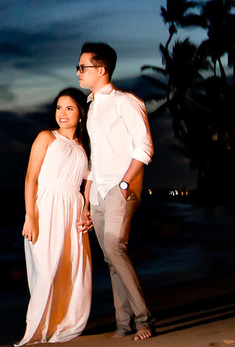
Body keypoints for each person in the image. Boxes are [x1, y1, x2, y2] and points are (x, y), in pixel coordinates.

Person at [77, 42, 155, 340]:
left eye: (83, 67)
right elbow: (96, 160)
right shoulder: (92, 104)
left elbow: (144, 148)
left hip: (120, 190)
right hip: (98, 193)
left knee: (114, 249)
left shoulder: (126, 101)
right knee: (112, 258)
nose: (79, 72)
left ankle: (144, 319)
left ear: (101, 69)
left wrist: (124, 184)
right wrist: (87, 197)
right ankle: (123, 323)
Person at [16, 87, 93, 345]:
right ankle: (35, 331)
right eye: (59, 107)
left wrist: (87, 210)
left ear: (81, 113)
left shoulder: (85, 146)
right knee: (46, 270)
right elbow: (30, 178)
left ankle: (64, 324)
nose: (62, 113)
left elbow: (90, 180)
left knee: (70, 268)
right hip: (46, 207)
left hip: (72, 210)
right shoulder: (46, 137)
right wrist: (30, 216)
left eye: (69, 108)